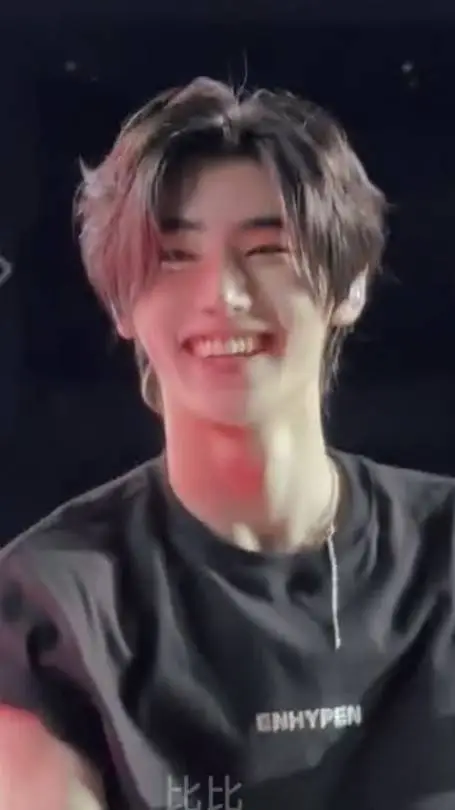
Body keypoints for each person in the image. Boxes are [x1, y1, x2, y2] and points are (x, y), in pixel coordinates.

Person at [0, 77, 454, 810]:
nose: (225, 294)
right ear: (122, 303)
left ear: (351, 285)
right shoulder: (51, 602)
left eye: (268, 248)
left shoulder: (442, 553)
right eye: (175, 256)